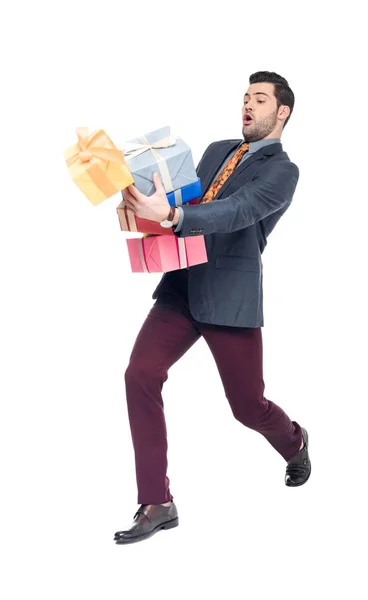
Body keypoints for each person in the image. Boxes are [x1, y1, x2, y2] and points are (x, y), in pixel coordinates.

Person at [115, 71, 311, 545]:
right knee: (139, 374)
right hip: (183, 285)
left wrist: (175, 216)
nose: (248, 104)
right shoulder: (218, 147)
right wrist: (142, 206)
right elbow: (190, 199)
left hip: (230, 296)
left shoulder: (283, 172)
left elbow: (238, 211)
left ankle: (295, 442)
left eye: (259, 99)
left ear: (281, 113)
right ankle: (157, 502)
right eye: (246, 97)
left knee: (248, 408)